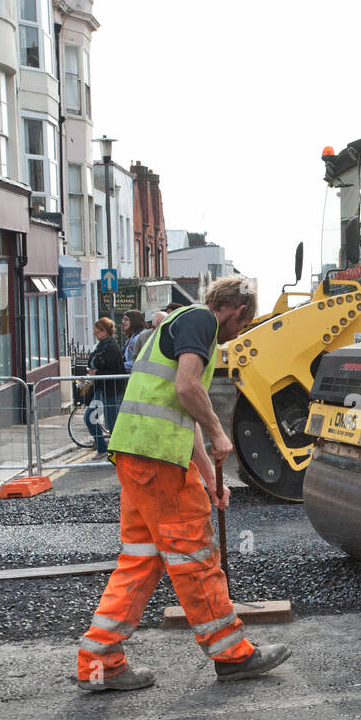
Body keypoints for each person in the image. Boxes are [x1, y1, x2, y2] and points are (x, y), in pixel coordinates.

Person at [76, 275, 290, 691]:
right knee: (195, 555)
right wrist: (219, 433)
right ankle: (232, 655)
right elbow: (188, 387)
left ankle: (98, 663)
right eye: (243, 327)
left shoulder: (178, 327)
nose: (237, 335)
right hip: (157, 462)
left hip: (138, 456)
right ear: (239, 311)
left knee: (141, 560)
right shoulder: (201, 321)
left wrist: (213, 480)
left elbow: (182, 409)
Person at [85, 317, 127, 456]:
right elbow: (92, 360)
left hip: (111, 390)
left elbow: (114, 369)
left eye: (97, 331)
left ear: (104, 331)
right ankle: (102, 448)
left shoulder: (112, 347)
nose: (94, 333)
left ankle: (119, 454)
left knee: (112, 424)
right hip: (100, 389)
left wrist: (97, 371)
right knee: (89, 417)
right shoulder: (101, 345)